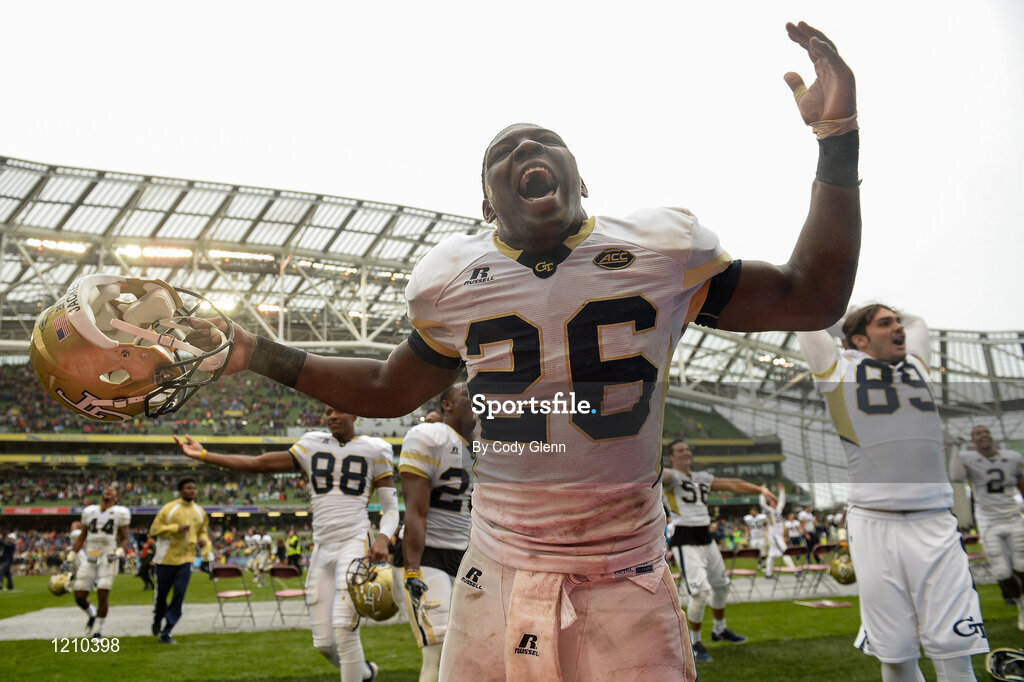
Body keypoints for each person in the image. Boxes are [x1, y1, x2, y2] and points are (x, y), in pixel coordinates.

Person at [195, 21, 859, 681]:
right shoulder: (450, 280)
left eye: (546, 142)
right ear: (487, 204)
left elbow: (811, 297)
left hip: (623, 565)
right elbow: (386, 391)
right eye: (504, 151)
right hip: (497, 563)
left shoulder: (660, 248)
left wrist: (837, 141)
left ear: (583, 180)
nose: (528, 147)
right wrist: (257, 352)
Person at [798, 305, 988, 681]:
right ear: (859, 340)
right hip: (874, 525)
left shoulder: (915, 364)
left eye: (897, 321)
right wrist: (848, 315)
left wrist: (870, 314)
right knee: (896, 655)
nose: (900, 326)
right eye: (886, 323)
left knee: (955, 649)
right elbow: (807, 314)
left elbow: (919, 321)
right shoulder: (836, 369)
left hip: (935, 522)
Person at [175, 404, 394, 682]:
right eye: (327, 412)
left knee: (343, 628)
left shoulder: (375, 448)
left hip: (354, 540)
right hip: (322, 547)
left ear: (355, 414)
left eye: (338, 410)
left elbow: (390, 507)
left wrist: (384, 538)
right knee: (324, 644)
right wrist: (205, 455)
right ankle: (365, 672)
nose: (332, 416)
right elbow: (260, 464)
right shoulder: (312, 443)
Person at [662, 440, 776, 663]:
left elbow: (732, 484)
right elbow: (662, 477)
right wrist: (660, 469)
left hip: (706, 536)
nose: (686, 452)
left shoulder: (701, 477)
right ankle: (694, 643)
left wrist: (760, 489)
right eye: (680, 450)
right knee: (700, 593)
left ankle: (719, 630)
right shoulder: (671, 476)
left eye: (687, 449)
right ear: (672, 457)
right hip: (685, 538)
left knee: (722, 586)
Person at [395, 382, 475, 682]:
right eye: (466, 395)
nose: (476, 399)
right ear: (447, 405)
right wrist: (413, 570)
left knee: (471, 651)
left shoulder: (486, 444)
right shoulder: (431, 436)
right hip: (427, 556)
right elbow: (416, 510)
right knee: (438, 651)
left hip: (468, 557)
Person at [949, 425, 1024, 630]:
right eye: (979, 434)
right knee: (1001, 571)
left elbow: (1020, 483)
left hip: (1013, 516)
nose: (984, 436)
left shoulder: (1013, 457)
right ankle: (1020, 603)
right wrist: (955, 450)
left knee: (1022, 565)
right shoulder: (968, 458)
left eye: (987, 432)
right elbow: (956, 477)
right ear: (973, 440)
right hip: (988, 519)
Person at [150, 477, 210, 644]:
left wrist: (203, 539)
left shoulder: (199, 511)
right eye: (189, 488)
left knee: (179, 594)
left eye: (194, 488)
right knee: (161, 597)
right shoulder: (169, 509)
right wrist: (176, 528)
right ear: (181, 490)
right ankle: (158, 617)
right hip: (165, 560)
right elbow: (154, 530)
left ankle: (167, 630)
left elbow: (203, 531)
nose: (192, 491)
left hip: (186, 560)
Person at [71, 485, 131, 638]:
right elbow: (82, 536)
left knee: (103, 592)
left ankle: (98, 630)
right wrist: (73, 552)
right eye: (106, 488)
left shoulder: (121, 512)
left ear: (116, 497)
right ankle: (92, 614)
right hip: (90, 556)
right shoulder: (89, 511)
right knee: (79, 595)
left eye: (113, 489)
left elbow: (125, 537)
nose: (109, 490)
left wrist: (120, 549)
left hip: (108, 556)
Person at [760, 483, 795, 579]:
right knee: (785, 552)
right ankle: (794, 571)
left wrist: (782, 491)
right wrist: (762, 493)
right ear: (770, 504)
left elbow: (782, 502)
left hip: (777, 535)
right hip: (774, 536)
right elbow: (763, 504)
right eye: (772, 502)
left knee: (772, 555)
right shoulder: (769, 511)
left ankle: (768, 574)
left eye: (775, 501)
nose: (775, 502)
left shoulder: (778, 509)